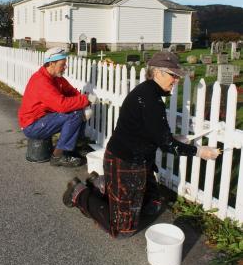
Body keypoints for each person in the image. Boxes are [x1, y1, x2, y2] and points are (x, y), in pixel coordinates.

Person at [62, 51, 220, 236]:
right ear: (158, 73)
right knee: (123, 230)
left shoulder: (148, 93)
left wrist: (172, 137)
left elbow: (153, 132)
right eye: (173, 75)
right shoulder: (150, 99)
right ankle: (80, 193)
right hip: (125, 162)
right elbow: (166, 144)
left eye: (177, 76)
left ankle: (103, 185)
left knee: (153, 205)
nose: (176, 80)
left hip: (139, 160)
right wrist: (200, 151)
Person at [18, 47, 97, 167]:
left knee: (78, 110)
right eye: (62, 64)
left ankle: (74, 147)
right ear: (51, 63)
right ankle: (58, 155)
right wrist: (85, 100)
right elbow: (62, 105)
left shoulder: (55, 78)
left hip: (42, 119)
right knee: (74, 114)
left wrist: (83, 101)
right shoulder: (41, 81)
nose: (65, 67)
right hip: (32, 125)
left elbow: (71, 92)